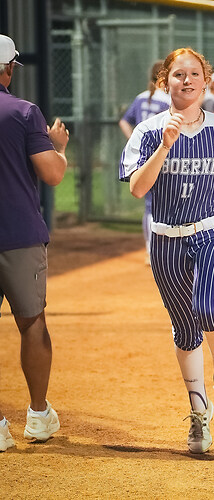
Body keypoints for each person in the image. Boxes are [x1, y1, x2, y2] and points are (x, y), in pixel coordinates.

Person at [119, 47, 214, 454]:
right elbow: (137, 188)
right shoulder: (148, 131)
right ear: (164, 82)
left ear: (206, 82)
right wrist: (164, 146)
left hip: (212, 232)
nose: (186, 80)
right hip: (166, 240)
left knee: (208, 307)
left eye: (194, 74)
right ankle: (199, 415)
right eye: (177, 74)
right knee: (186, 332)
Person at [0, 34, 69, 451]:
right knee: (31, 323)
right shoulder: (24, 112)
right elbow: (53, 174)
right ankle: (38, 416)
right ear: (8, 69)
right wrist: (57, 146)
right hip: (18, 235)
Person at [119, 61, 170, 263]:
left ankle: (150, 249)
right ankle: (159, 249)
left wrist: (134, 140)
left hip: (143, 155)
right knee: (163, 202)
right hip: (160, 155)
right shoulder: (168, 100)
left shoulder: (141, 97)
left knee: (150, 205)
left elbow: (124, 121)